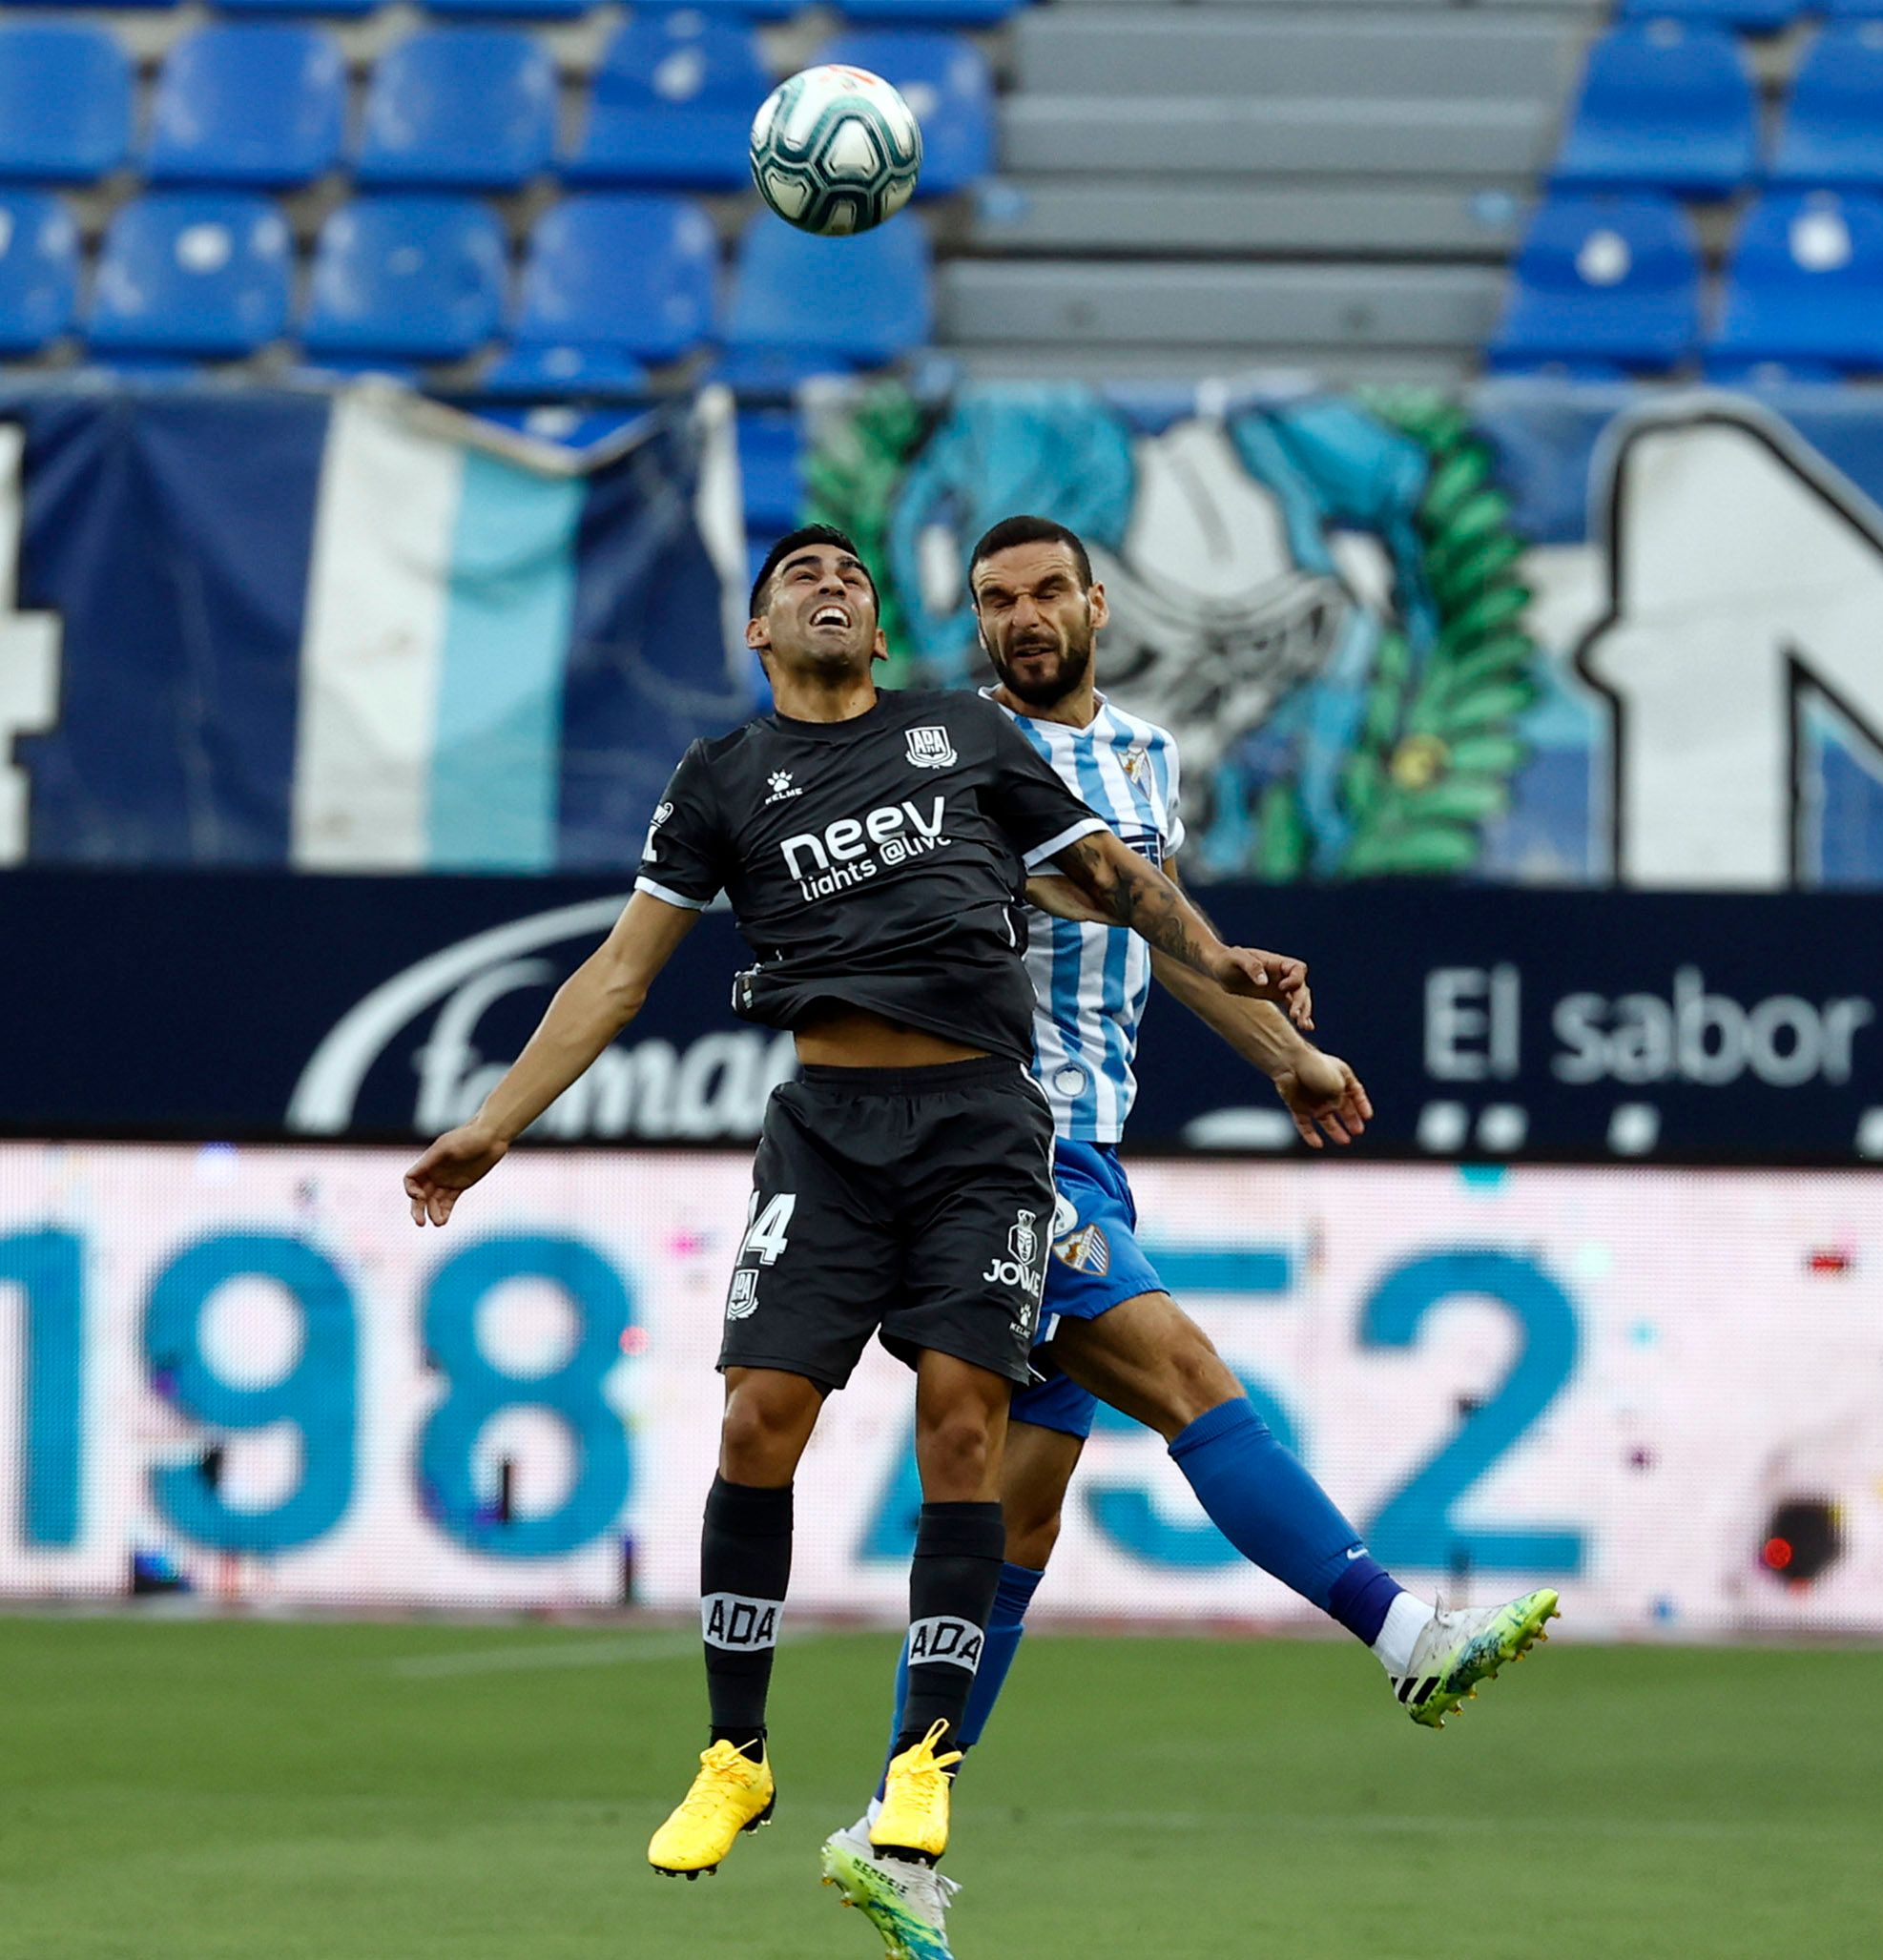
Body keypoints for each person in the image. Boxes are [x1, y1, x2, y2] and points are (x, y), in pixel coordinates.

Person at [401, 526, 1314, 1917]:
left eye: (851, 581)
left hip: (986, 1134)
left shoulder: (958, 738)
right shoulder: (720, 781)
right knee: (758, 1418)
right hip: (827, 1133)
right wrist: (495, 1122)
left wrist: (1217, 960)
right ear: (760, 635)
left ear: (879, 636)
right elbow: (615, 975)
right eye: (797, 581)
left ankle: (926, 1763)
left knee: (964, 1418)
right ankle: (735, 1753)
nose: (828, 587)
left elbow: (1106, 881)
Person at [818, 517, 1560, 1960]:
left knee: (1017, 1526)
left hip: (1082, 1150)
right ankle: (1403, 1636)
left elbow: (1150, 934)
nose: (1021, 620)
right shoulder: (947, 754)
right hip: (985, 1145)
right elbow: (1075, 888)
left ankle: (895, 1825)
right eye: (993, 602)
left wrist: (1280, 1051)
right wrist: (1215, 954)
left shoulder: (1148, 760)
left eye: (1045, 595)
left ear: (1098, 603)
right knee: (1191, 1380)